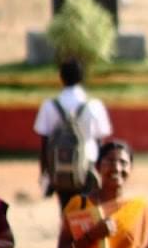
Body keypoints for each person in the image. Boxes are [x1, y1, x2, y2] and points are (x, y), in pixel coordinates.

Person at [34, 58, 114, 207]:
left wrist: (44, 173)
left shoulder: (49, 105)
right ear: (82, 77)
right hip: (88, 166)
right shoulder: (94, 105)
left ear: (61, 77)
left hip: (59, 167)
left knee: (66, 210)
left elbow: (44, 143)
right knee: (87, 210)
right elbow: (100, 142)